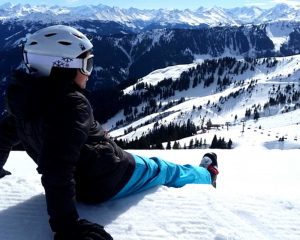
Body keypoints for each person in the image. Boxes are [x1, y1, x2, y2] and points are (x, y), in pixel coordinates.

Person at [0, 25, 219, 240]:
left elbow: (4, 135)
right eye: (87, 64)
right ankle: (207, 174)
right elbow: (57, 166)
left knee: (156, 165)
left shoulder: (25, 102)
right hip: (111, 177)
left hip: (88, 178)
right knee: (165, 169)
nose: (89, 73)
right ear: (61, 67)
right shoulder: (72, 103)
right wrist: (67, 226)